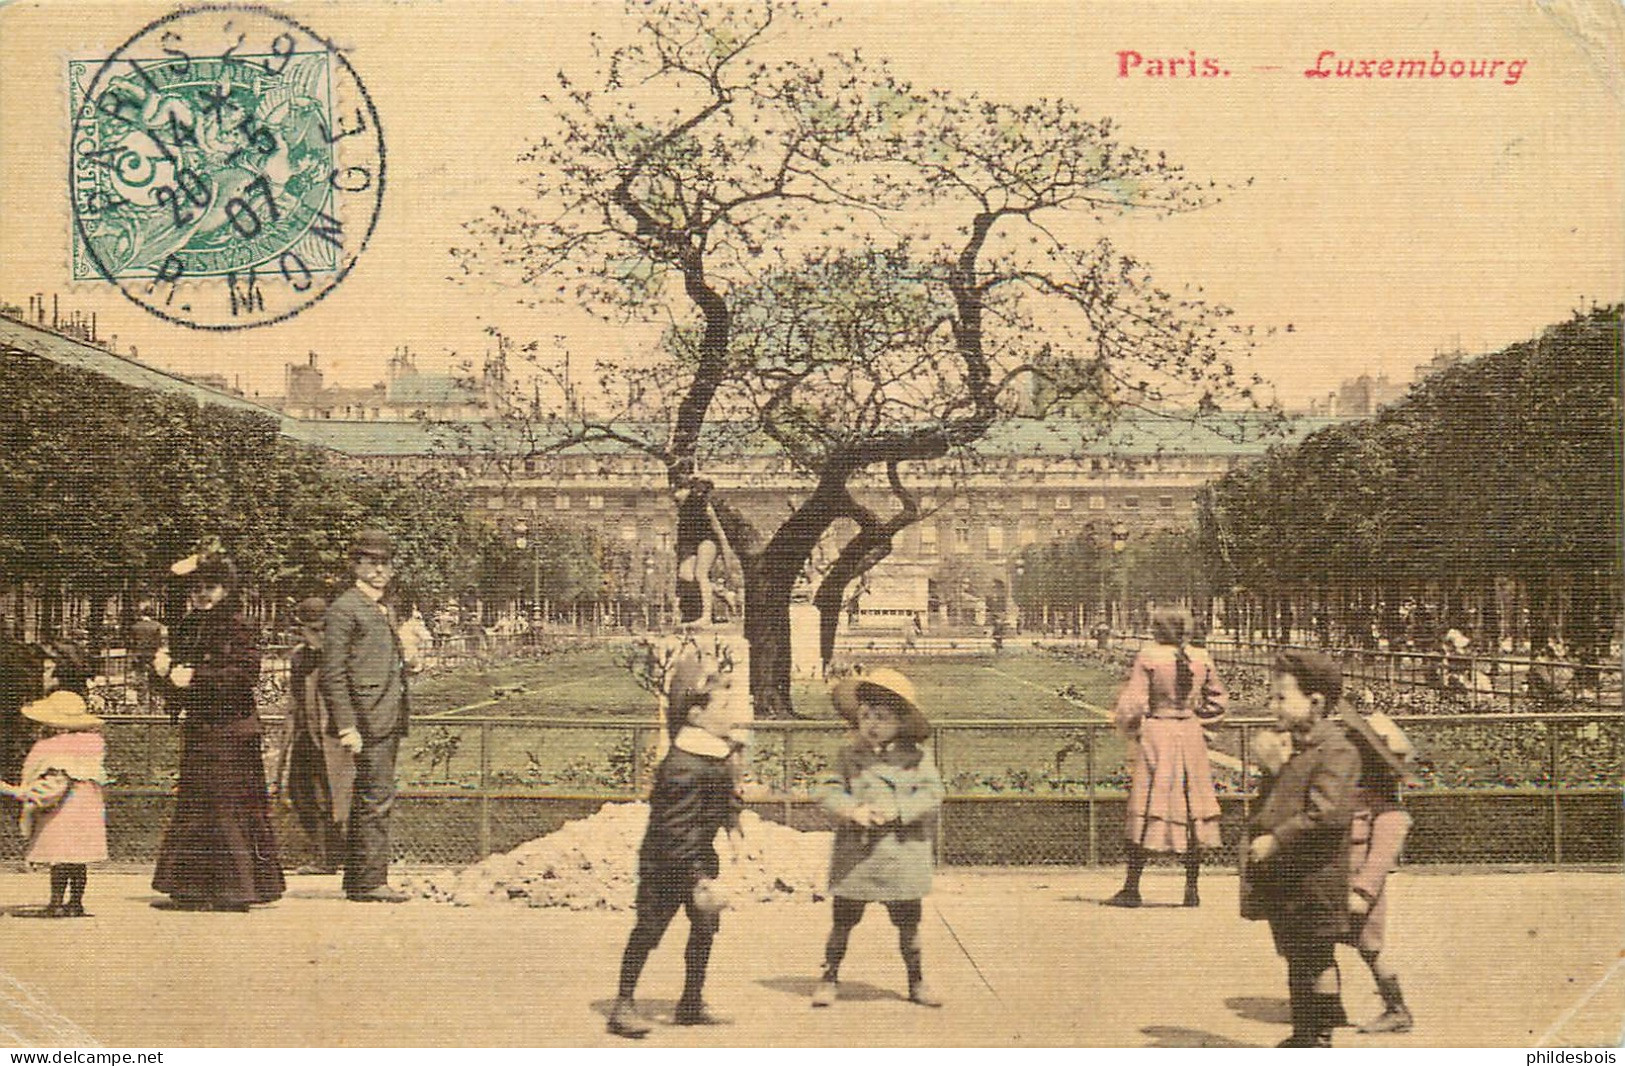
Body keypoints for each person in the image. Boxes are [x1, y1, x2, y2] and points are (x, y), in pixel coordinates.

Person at [607, 653, 752, 1038]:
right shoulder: (682, 766)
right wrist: (697, 879)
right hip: (667, 862)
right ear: (695, 715)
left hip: (697, 856)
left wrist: (734, 827)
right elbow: (674, 829)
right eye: (723, 706)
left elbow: (725, 795)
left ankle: (691, 1001)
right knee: (649, 930)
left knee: (704, 927)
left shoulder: (714, 754)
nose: (731, 714)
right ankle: (623, 1004)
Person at [151, 552, 285, 911]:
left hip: (232, 731)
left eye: (211, 587)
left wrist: (195, 677)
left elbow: (244, 678)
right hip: (201, 729)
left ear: (226, 589)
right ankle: (192, 888)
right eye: (197, 588)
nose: (203, 594)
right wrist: (164, 674)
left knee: (227, 806)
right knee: (197, 806)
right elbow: (172, 596)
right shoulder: (191, 626)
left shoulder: (238, 626)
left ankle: (234, 889)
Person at [1246, 650, 1361, 1047]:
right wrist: (1274, 769)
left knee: (1316, 955)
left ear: (1315, 702)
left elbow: (1326, 813)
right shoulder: (1295, 745)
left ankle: (1320, 1038)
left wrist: (1277, 839)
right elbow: (1279, 801)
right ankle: (1304, 1033)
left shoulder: (1338, 751)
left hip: (1316, 877)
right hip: (1291, 878)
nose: (1271, 705)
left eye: (1280, 697)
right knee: (1297, 954)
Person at [812, 667, 945, 1009]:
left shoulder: (916, 758)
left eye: (882, 717)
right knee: (842, 921)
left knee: (909, 926)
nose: (871, 724)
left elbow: (932, 794)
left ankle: (916, 980)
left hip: (901, 854)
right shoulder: (848, 755)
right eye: (866, 715)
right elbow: (826, 791)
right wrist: (852, 809)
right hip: (858, 855)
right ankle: (829, 977)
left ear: (901, 723)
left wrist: (899, 810)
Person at [1106, 606, 1227, 908]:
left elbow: (1133, 704)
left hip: (1157, 735)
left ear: (1157, 629)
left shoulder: (1149, 656)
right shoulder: (1202, 657)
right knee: (1191, 807)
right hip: (1190, 735)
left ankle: (1132, 888)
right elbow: (1218, 700)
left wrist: (1133, 728)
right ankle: (1191, 889)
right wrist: (1199, 721)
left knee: (1145, 804)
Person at [321, 529, 410, 904]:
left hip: (384, 713)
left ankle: (360, 881)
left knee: (370, 799)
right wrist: (346, 724)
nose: (378, 569)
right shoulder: (346, 608)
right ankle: (371, 882)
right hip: (367, 718)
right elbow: (333, 671)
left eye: (384, 563)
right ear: (355, 565)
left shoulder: (380, 606)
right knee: (375, 801)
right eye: (369, 562)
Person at [0, 641, 108, 918]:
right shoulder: (89, 747)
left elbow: (54, 786)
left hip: (63, 817)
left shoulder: (56, 750)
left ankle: (56, 901)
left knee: (60, 862)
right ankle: (76, 902)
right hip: (86, 816)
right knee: (78, 864)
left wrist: (27, 795)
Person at [1339, 701, 1418, 1033]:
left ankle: (1397, 1009)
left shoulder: (1389, 812)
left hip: (1358, 890)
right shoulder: (1351, 797)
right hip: (1333, 884)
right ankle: (1327, 1005)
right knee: (1317, 944)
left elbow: (1379, 860)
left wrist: (1364, 891)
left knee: (1370, 949)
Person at [278, 597, 354, 876]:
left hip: (335, 736)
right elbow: (295, 698)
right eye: (311, 630)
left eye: (322, 629)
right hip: (305, 736)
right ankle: (325, 854)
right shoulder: (299, 656)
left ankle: (339, 856)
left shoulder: (343, 655)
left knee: (339, 797)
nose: (317, 636)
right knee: (303, 795)